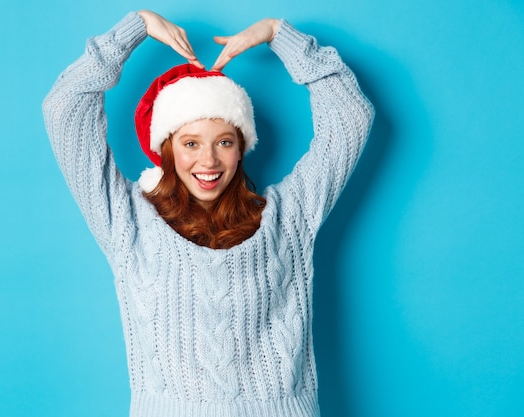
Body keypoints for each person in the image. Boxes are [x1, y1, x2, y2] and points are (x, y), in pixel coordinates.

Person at [43, 9, 373, 417]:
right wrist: (136, 27)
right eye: (191, 143)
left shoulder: (288, 217)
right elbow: (65, 108)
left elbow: (351, 118)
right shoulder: (127, 221)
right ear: (167, 148)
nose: (209, 160)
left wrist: (279, 35)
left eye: (224, 142)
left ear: (242, 146)